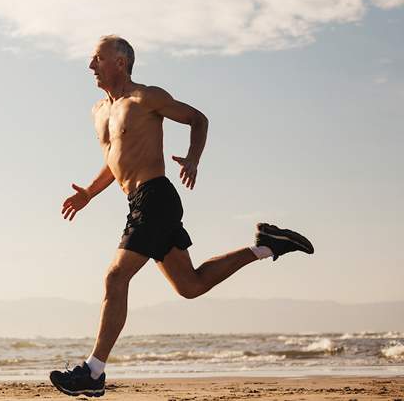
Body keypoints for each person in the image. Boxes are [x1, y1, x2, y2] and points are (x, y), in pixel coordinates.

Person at [48, 35, 314, 398]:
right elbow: (114, 163)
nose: (91, 66)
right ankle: (268, 246)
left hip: (155, 198)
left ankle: (93, 372)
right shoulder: (99, 111)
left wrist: (193, 158)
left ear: (120, 62)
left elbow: (197, 119)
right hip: (140, 202)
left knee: (115, 277)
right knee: (191, 286)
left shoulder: (146, 98)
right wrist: (89, 195)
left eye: (97, 59)